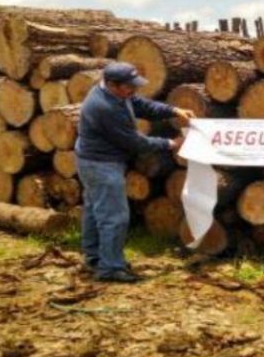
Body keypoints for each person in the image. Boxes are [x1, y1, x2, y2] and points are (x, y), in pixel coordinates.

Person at [75, 62, 195, 283]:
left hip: (93, 161)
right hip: (101, 165)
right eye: (129, 86)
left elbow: (140, 105)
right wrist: (171, 143)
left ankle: (95, 258)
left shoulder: (115, 94)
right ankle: (110, 268)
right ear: (112, 84)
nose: (134, 89)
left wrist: (173, 110)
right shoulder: (104, 108)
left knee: (94, 211)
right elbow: (134, 142)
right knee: (114, 217)